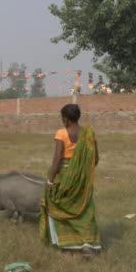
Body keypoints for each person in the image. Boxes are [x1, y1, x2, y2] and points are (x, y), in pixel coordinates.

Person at [39, 104, 101, 259]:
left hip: (63, 176)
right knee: (85, 210)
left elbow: (57, 159)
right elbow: (95, 158)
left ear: (65, 119)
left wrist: (50, 181)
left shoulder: (61, 133)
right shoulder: (89, 134)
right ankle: (87, 245)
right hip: (83, 179)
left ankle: (67, 246)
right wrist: (81, 172)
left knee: (56, 207)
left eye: (62, 118)